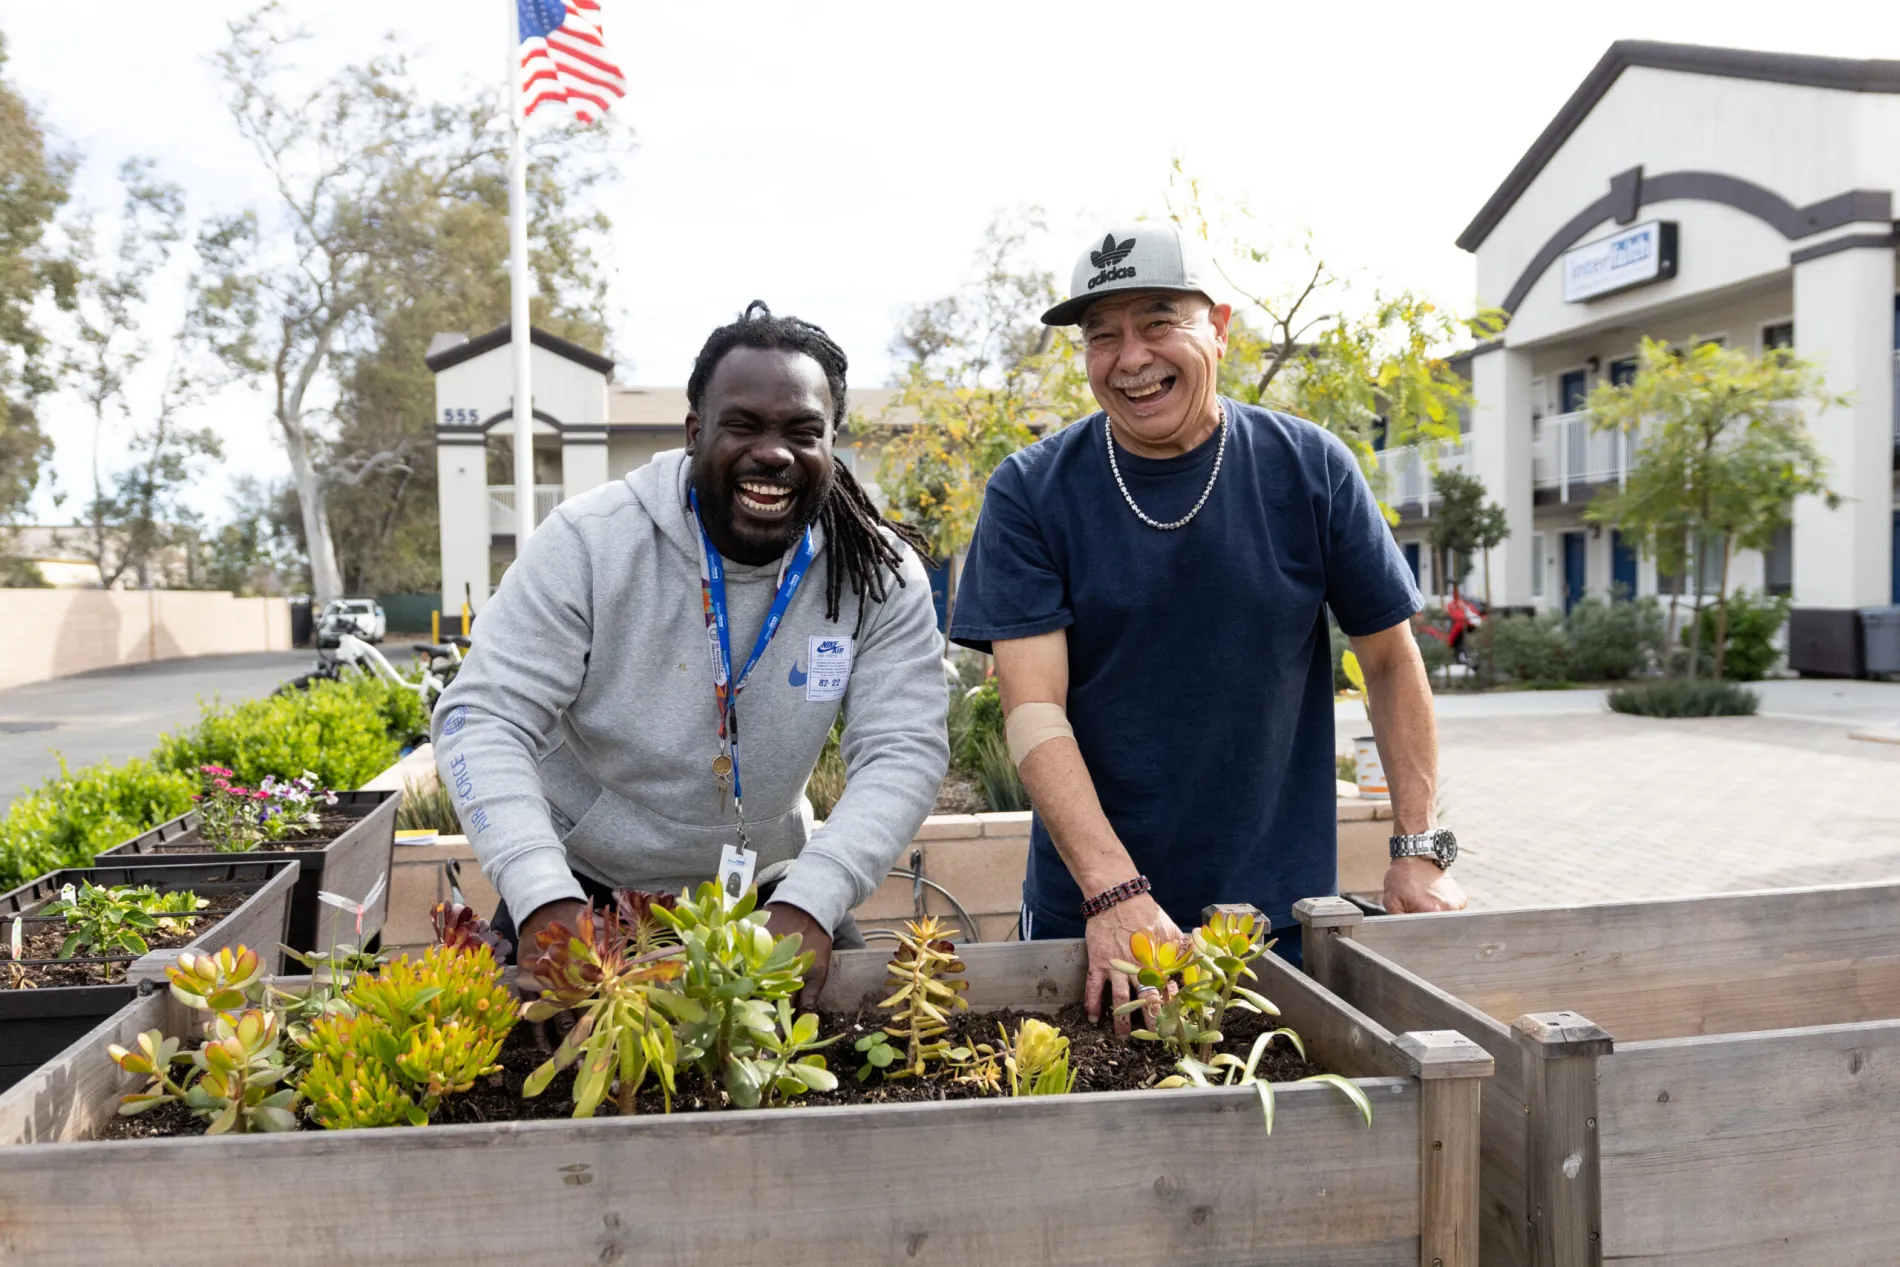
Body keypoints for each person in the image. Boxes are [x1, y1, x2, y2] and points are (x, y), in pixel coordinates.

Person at [949, 225, 1466, 1032]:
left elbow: (1392, 663)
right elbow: (1032, 709)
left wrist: (1417, 848)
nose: (1130, 357)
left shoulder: (1309, 468)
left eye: (1159, 322)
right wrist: (1114, 892)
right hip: (1090, 923)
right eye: (1103, 336)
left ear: (1219, 328)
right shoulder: (1032, 491)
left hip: (1278, 923)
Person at [433, 302, 950, 1004]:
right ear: (694, 432)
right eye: (742, 425)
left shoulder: (876, 570)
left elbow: (904, 748)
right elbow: (484, 717)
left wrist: (816, 896)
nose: (773, 452)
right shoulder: (590, 542)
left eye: (804, 430)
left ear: (833, 442)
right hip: (583, 891)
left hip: (777, 895)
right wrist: (538, 891)